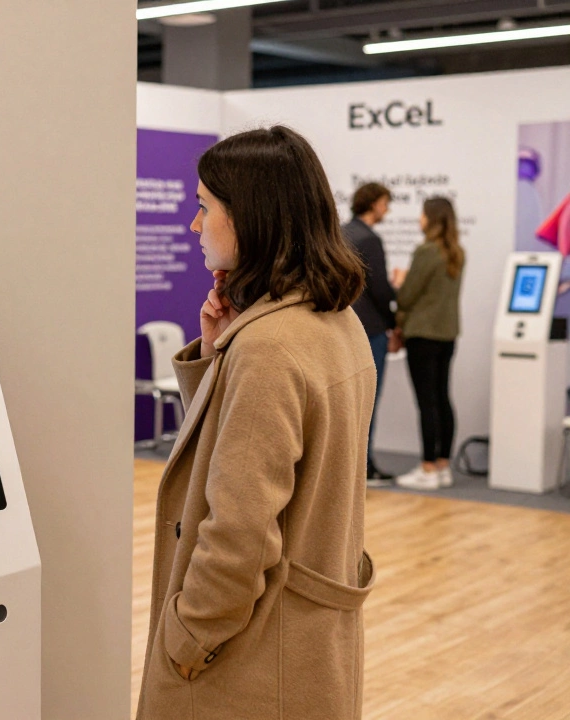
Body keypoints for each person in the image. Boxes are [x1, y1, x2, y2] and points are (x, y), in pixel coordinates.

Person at [136, 126, 376, 720]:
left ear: (250, 216)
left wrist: (191, 635)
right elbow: (239, 440)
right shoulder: (334, 321)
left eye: (204, 207)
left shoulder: (269, 346)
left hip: (252, 661)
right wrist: (218, 353)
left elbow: (240, 530)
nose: (195, 226)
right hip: (306, 647)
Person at [393, 197, 466, 491]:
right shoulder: (456, 253)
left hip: (422, 335)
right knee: (442, 398)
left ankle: (427, 468)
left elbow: (408, 296)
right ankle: (443, 465)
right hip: (447, 334)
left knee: (427, 403)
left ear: (430, 218)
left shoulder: (426, 252)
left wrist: (400, 282)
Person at [342, 182, 398, 484]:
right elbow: (379, 289)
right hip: (371, 330)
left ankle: (347, 467)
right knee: (367, 401)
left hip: (342, 327)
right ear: (374, 203)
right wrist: (394, 321)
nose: (387, 209)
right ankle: (365, 466)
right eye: (385, 203)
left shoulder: (340, 233)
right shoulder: (370, 239)